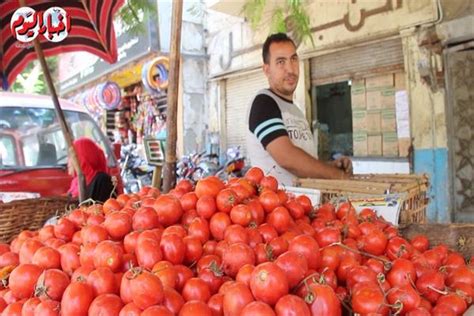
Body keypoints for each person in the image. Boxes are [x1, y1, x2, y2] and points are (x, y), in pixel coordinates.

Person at [246, 33, 353, 186]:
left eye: (294, 59)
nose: (290, 69)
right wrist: (337, 176)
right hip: (276, 207)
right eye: (281, 62)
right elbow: (287, 158)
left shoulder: (295, 110)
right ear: (267, 70)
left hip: (302, 206)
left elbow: (304, 163)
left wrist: (330, 166)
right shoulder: (263, 103)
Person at [67, 137, 115, 202]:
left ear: (82, 157)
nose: (68, 161)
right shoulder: (76, 183)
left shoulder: (102, 181)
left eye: (71, 156)